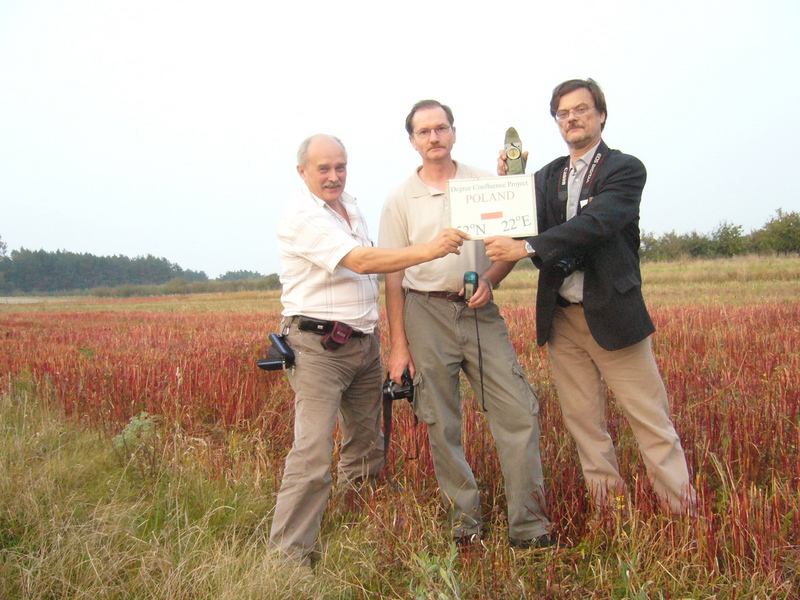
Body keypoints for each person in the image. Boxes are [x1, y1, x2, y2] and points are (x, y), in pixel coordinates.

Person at [486, 78, 697, 518]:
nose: (572, 118)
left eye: (581, 109)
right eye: (563, 113)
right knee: (584, 426)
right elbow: (521, 220)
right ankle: (612, 516)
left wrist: (528, 248)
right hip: (562, 321)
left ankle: (683, 517)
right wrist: (510, 184)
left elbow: (597, 223)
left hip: (613, 317)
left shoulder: (624, 169)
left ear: (600, 114)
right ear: (557, 122)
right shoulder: (546, 176)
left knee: (652, 423)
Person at [270, 134, 469, 566]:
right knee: (313, 453)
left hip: (362, 344)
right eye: (323, 168)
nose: (334, 176)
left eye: (340, 166)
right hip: (317, 347)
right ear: (302, 171)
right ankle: (288, 558)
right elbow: (360, 261)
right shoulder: (302, 215)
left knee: (365, 446)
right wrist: (430, 250)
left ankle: (352, 522)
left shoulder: (352, 208)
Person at [379, 100, 554, 549]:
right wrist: (399, 346)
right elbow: (393, 278)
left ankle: (530, 528)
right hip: (425, 313)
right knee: (441, 421)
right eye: (424, 132)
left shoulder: (482, 184)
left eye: (441, 128)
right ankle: (466, 524)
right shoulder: (399, 200)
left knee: (517, 410)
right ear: (413, 141)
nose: (434, 138)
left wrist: (491, 283)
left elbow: (511, 244)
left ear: (454, 133)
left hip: (478, 312)